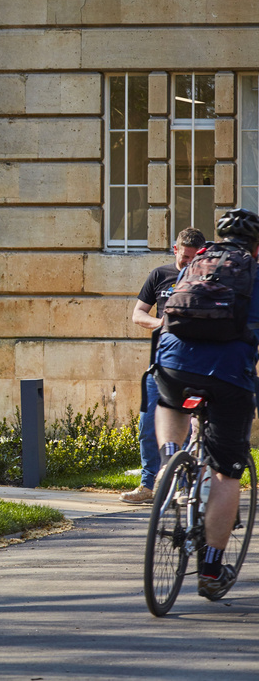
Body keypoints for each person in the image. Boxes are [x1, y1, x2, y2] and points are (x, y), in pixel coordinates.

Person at [153, 208, 259, 600]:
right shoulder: (253, 272)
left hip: (173, 362)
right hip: (228, 375)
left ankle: (169, 462)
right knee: (226, 474)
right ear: (257, 247)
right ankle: (211, 569)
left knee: (169, 402)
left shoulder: (196, 263)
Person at [121, 227, 206, 505]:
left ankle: (182, 487)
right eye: (184, 258)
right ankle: (147, 485)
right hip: (160, 366)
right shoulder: (160, 275)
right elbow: (138, 315)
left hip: (195, 366)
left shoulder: (207, 280)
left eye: (194, 258)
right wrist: (164, 325)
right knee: (148, 425)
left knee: (187, 428)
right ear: (175, 250)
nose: (188, 264)